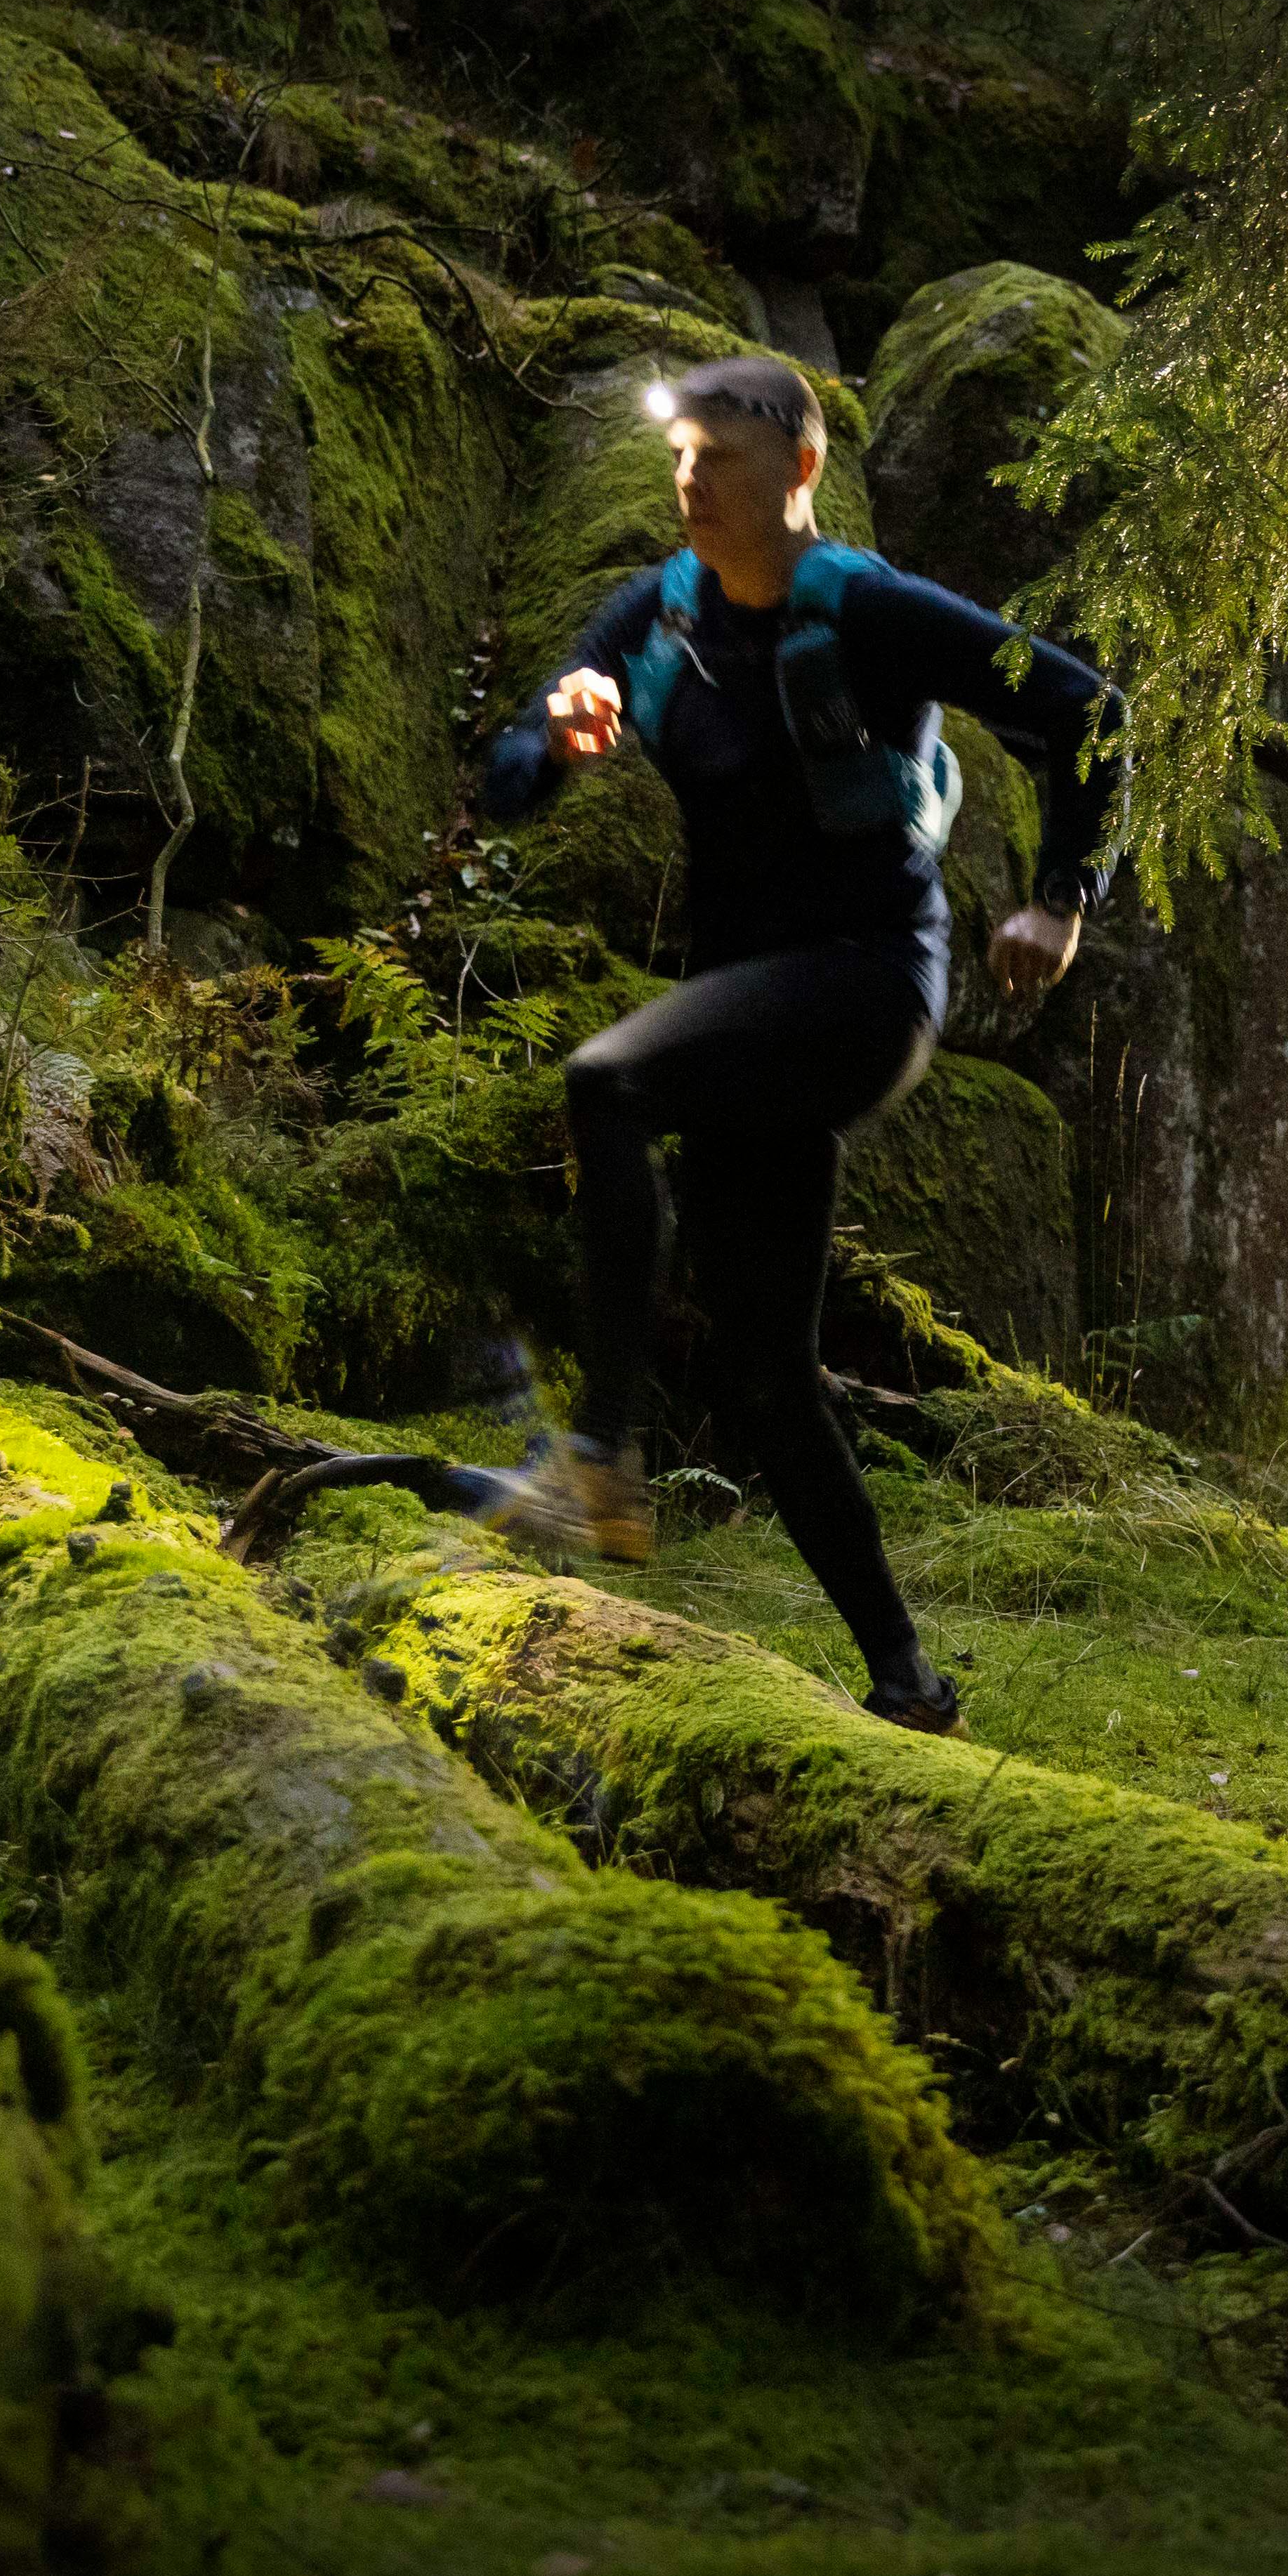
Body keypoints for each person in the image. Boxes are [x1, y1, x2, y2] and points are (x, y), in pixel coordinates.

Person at [460, 353, 1122, 1734]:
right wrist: (560, 741)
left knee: (606, 1078)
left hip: (870, 986)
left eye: (727, 462)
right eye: (683, 458)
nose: (695, 483)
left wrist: (1060, 899)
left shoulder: (869, 610)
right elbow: (506, 777)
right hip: (747, 1006)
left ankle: (599, 1456)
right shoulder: (656, 612)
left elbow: (1085, 710)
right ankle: (910, 1679)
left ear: (802, 473)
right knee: (767, 1371)